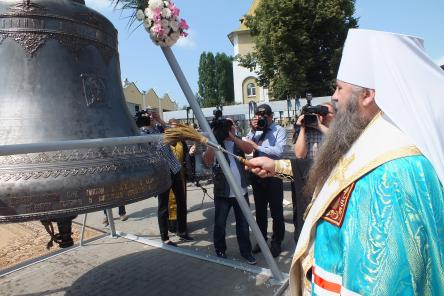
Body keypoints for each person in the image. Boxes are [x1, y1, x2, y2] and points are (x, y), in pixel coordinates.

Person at [247, 29, 444, 295]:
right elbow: (336, 177)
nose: (334, 98)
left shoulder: (392, 172)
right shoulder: (374, 143)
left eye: (340, 87)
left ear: (367, 95)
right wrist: (277, 167)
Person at [202, 118, 256, 265]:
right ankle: (220, 249)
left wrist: (232, 136)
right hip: (223, 192)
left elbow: (249, 149)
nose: (229, 128)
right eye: (226, 126)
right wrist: (215, 139)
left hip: (241, 191)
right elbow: (207, 161)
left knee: (243, 224)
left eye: (230, 125)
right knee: (220, 223)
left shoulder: (238, 140)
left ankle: (246, 252)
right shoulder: (214, 143)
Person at [137, 111, 193, 246]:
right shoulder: (142, 133)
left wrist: (160, 121)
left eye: (151, 115)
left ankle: (182, 231)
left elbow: (174, 133)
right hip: (161, 172)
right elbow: (152, 148)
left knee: (181, 202)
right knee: (163, 206)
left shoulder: (159, 128)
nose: (150, 117)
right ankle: (165, 237)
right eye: (147, 116)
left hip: (174, 168)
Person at [244, 104, 287, 257]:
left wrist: (258, 147)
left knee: (276, 211)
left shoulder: (279, 130)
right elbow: (246, 146)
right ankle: (261, 241)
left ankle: (276, 242)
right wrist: (253, 130)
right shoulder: (255, 131)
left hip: (274, 175)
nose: (262, 120)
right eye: (259, 117)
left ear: (270, 116)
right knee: (260, 212)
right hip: (257, 176)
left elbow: (280, 151)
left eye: (264, 117)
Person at [291, 103, 335, 242]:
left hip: (329, 181)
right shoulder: (306, 132)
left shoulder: (334, 130)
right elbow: (299, 154)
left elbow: (338, 141)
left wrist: (319, 126)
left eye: (326, 113)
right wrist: (303, 127)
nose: (321, 116)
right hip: (308, 180)